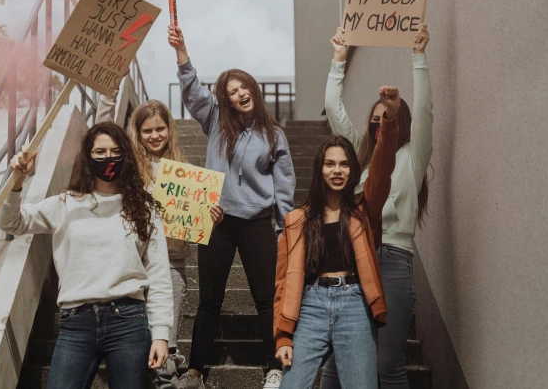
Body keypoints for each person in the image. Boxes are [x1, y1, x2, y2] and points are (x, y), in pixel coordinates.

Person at [0, 122, 173, 389]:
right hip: (75, 323)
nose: (107, 158)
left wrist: (161, 334)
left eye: (115, 151)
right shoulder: (64, 204)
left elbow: (159, 275)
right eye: (99, 152)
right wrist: (17, 180)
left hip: (128, 321)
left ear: (126, 154)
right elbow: (11, 222)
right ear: (87, 157)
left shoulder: (146, 209)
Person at [169, 24, 296, 389]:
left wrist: (283, 228)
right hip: (217, 221)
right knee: (209, 299)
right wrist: (182, 53)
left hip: (257, 224)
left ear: (253, 90)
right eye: (232, 91)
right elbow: (193, 93)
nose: (240, 94)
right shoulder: (216, 123)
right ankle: (195, 370)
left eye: (244, 88)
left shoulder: (275, 135)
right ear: (224, 100)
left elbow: (285, 187)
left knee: (265, 299)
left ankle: (274, 366)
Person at [320, 24, 432, 389]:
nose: (377, 128)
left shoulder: (412, 158)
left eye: (386, 122)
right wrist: (338, 61)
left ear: (399, 123)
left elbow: (426, 114)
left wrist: (418, 57)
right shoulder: (360, 156)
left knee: (388, 365)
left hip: (394, 260)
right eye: (373, 123)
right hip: (353, 256)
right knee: (335, 362)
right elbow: (335, 113)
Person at [274, 86, 401, 388]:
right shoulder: (297, 220)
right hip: (311, 305)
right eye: (330, 163)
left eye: (344, 164)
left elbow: (382, 172)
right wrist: (282, 335)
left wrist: (391, 119)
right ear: (320, 169)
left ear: (353, 170)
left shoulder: (363, 210)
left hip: (355, 304)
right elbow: (282, 282)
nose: (337, 170)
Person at [126, 99, 224, 388]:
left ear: (170, 129)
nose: (155, 135)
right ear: (137, 132)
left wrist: (210, 217)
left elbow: (193, 221)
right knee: (138, 340)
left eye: (160, 128)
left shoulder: (183, 172)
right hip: (135, 264)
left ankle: (165, 380)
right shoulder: (128, 170)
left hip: (172, 262)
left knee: (165, 337)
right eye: (147, 131)